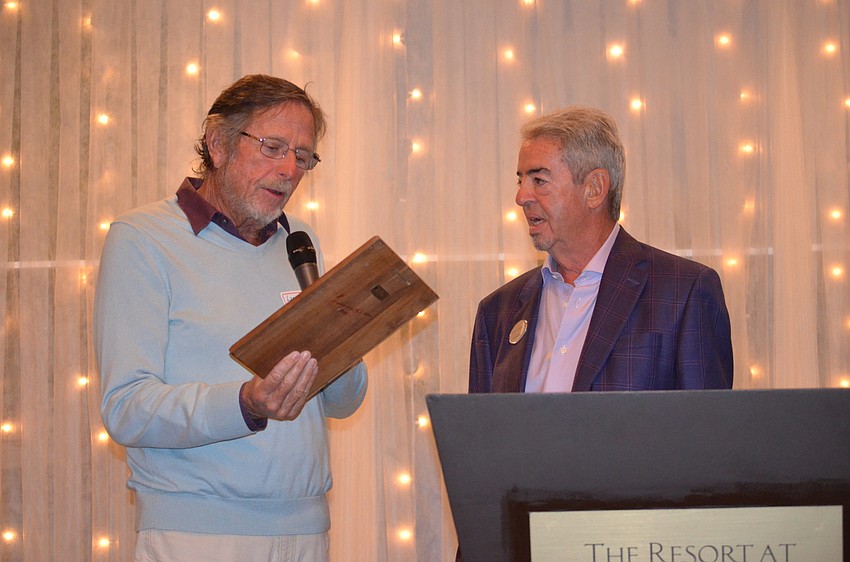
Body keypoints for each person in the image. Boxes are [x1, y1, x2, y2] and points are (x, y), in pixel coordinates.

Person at [94, 74, 367, 561]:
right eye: (273, 147)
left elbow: (342, 404)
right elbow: (127, 407)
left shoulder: (300, 242)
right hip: (197, 536)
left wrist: (346, 334)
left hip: (307, 532)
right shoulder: (142, 239)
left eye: (302, 157)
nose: (289, 170)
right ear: (218, 144)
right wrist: (246, 402)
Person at [470, 105, 733, 395]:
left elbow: (706, 434)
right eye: (521, 180)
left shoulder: (683, 293)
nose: (521, 197)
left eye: (539, 180)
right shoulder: (498, 311)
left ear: (594, 188)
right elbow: (483, 437)